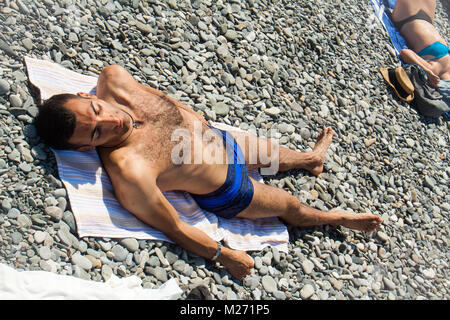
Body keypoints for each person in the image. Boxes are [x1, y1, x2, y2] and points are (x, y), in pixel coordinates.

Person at [34, 65, 382, 280]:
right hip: (229, 188)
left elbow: (163, 103)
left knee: (275, 155)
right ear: (85, 149)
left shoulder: (114, 79)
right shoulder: (130, 170)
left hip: (218, 138)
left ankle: (310, 160)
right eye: (97, 133)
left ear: (86, 93)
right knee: (291, 207)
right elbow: (175, 226)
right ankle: (334, 218)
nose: (112, 121)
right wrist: (224, 255)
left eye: (96, 109)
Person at [391, 0, 449, 89]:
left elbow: (405, 53)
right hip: (427, 18)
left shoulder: (434, 70)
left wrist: (426, 71)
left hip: (407, 17)